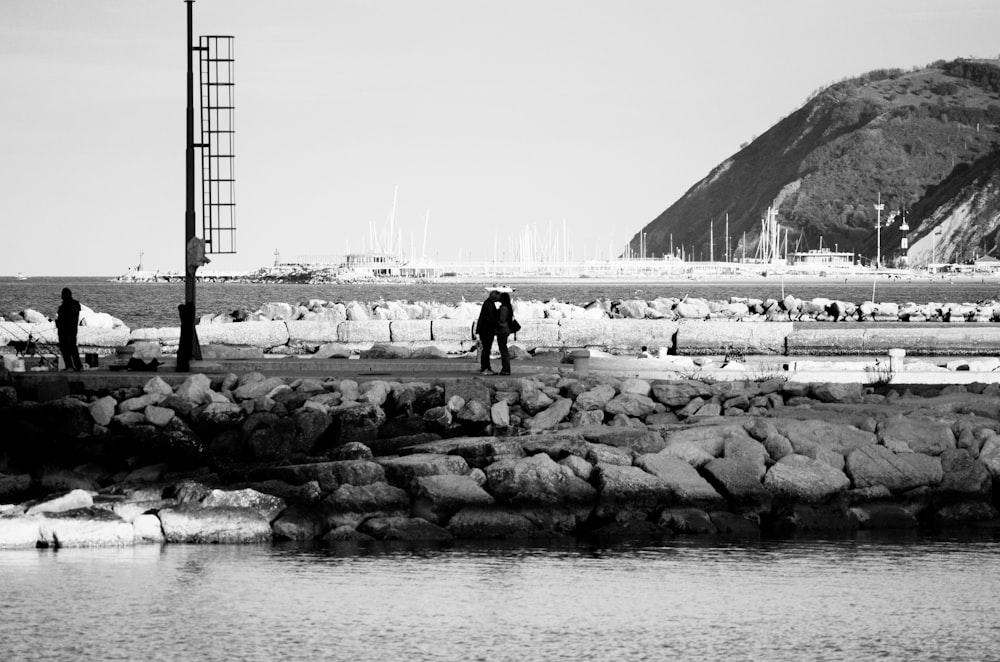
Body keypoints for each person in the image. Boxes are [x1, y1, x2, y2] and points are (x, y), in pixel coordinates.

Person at [56, 287, 83, 371]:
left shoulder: (63, 307)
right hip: (73, 330)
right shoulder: (76, 305)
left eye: (62, 294)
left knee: (65, 349)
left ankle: (69, 366)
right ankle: (79, 366)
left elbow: (61, 320)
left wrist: (57, 323)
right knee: (73, 348)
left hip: (64, 331)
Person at [476, 287, 501, 375]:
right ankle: (486, 368)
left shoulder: (488, 303)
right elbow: (490, 319)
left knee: (486, 349)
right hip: (486, 330)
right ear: (495, 297)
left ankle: (486, 367)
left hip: (484, 330)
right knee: (486, 349)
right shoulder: (489, 305)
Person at [495, 291, 515, 375]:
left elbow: (502, 320)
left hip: (502, 330)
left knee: (503, 350)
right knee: (504, 349)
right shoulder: (508, 307)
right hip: (506, 330)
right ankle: (506, 368)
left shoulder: (503, 308)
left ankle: (506, 369)